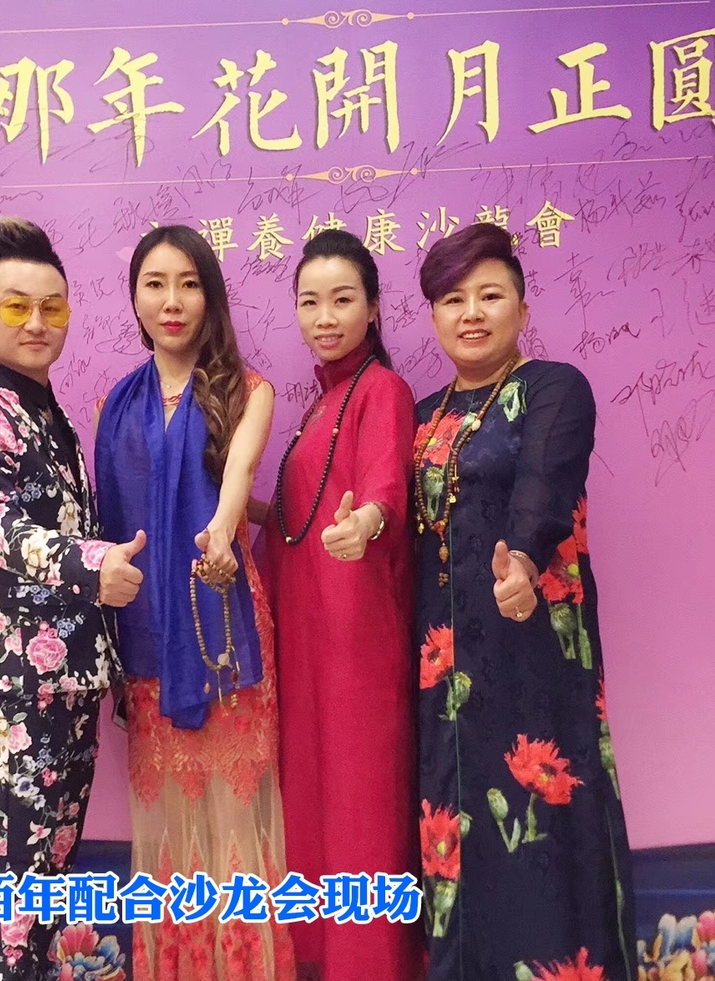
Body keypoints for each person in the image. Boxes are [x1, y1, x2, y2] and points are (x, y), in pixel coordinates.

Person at [413, 221, 637, 980]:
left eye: (490, 295)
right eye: (453, 299)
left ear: (522, 307)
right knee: (457, 827)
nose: (471, 313)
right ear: (434, 315)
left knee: (545, 822)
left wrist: (524, 559)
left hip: (535, 650)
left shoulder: (553, 388)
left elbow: (545, 478)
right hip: (445, 670)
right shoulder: (421, 415)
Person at [0, 218, 144, 981]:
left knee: (50, 870)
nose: (36, 322)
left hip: (73, 679)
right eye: (17, 305)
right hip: (16, 683)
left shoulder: (52, 413)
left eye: (52, 306)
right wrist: (92, 561)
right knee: (16, 871)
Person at [94, 224, 295, 981]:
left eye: (189, 283)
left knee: (236, 816)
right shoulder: (115, 405)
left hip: (226, 628)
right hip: (149, 635)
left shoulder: (248, 390)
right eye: (155, 284)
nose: (172, 301)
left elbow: (237, 473)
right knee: (169, 821)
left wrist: (220, 528)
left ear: (210, 297)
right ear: (135, 297)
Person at [259, 230, 419, 981]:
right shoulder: (321, 403)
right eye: (309, 301)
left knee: (361, 813)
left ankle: (373, 966)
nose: (325, 317)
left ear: (374, 307)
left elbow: (385, 486)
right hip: (311, 644)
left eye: (343, 299)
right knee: (320, 808)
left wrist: (369, 523)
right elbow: (302, 519)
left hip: (358, 644)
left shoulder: (382, 390)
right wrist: (245, 512)